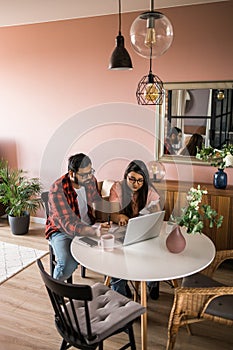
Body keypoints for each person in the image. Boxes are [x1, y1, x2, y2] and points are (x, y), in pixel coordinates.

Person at [45, 153, 110, 281]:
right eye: (84, 174)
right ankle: (56, 289)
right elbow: (68, 224)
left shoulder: (91, 180)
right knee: (67, 264)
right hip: (61, 231)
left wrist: (116, 215)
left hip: (88, 226)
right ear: (71, 173)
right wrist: (93, 231)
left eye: (90, 172)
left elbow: (98, 202)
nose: (89, 177)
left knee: (113, 248)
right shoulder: (57, 189)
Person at [109, 159, 161, 299]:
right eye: (132, 179)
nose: (135, 184)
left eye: (140, 180)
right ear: (126, 175)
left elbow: (157, 215)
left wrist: (154, 212)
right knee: (116, 257)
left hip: (143, 231)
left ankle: (152, 282)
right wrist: (119, 217)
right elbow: (112, 214)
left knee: (154, 253)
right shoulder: (117, 188)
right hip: (122, 230)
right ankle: (120, 287)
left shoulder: (149, 192)